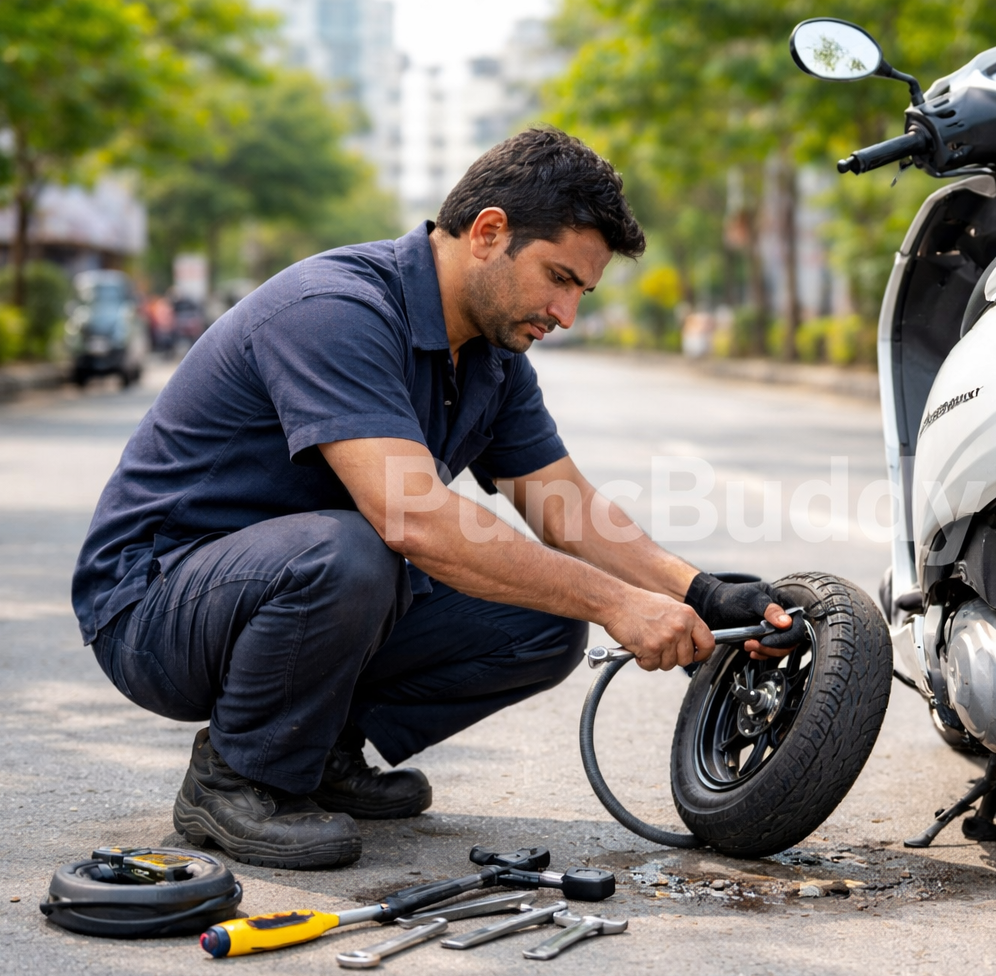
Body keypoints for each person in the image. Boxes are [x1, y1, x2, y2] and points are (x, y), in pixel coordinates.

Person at [71, 128, 792, 870]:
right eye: (558, 278)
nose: (566, 312)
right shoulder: (337, 310)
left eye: (581, 290)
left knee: (544, 623)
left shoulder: (492, 357)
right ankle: (239, 776)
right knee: (357, 550)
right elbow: (412, 518)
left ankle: (314, 754)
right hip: (155, 605)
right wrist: (619, 605)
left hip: (293, 586)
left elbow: (563, 505)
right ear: (488, 232)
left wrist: (700, 593)